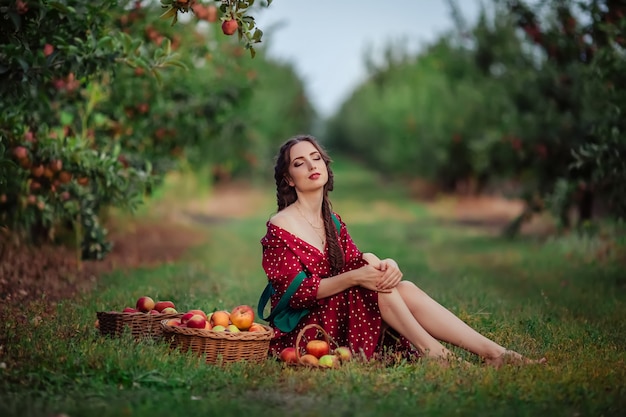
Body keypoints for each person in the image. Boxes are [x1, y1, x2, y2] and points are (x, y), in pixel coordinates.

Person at [260, 134, 547, 367]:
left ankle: (494, 353)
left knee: (400, 285)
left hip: (341, 312)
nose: (312, 166)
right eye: (300, 163)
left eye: (316, 158)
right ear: (288, 178)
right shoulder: (280, 226)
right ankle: (439, 356)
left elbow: (358, 263)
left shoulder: (331, 221)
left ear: (325, 164)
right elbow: (296, 294)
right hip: (309, 329)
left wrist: (386, 263)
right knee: (374, 285)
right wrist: (357, 277)